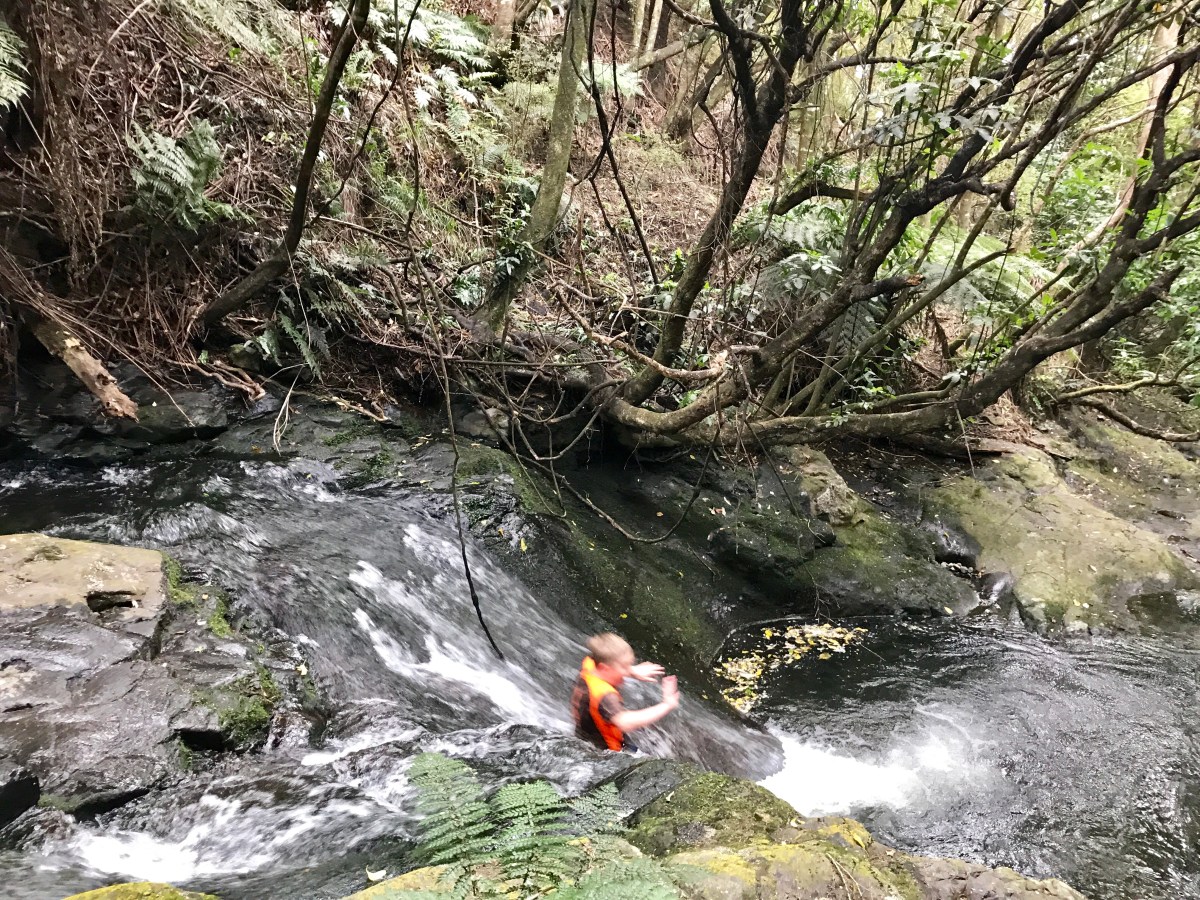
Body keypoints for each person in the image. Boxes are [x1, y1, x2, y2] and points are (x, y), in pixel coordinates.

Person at [570, 632, 679, 752]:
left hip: (584, 733)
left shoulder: (591, 663)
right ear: (605, 668)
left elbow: (608, 664)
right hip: (603, 752)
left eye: (630, 664)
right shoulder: (605, 697)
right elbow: (625, 722)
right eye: (624, 666)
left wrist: (632, 671)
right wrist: (667, 704)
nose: (628, 670)